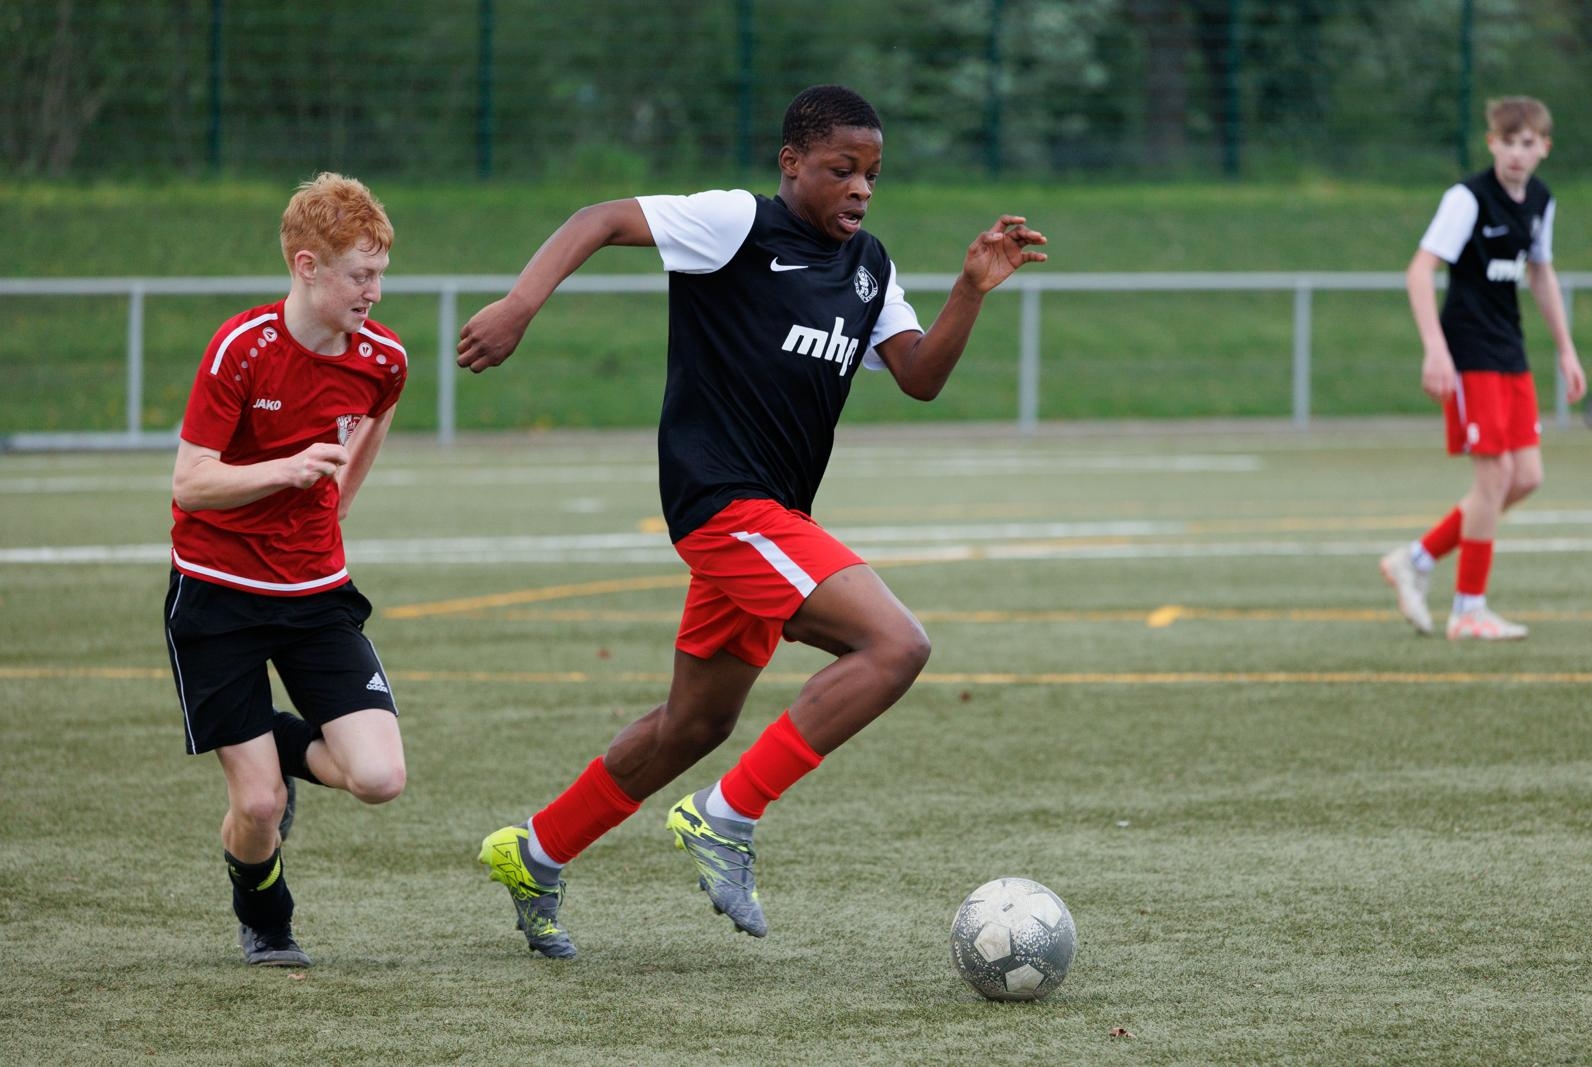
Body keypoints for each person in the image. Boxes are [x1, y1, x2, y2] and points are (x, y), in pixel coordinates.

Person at [457, 84, 1047, 958]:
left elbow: (920, 375)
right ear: (791, 163)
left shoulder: (869, 267)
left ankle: (535, 851)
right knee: (895, 645)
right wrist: (519, 305)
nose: (861, 188)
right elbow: (598, 219)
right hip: (723, 502)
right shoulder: (737, 224)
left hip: (770, 518)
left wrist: (970, 288)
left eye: (873, 174)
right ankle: (726, 813)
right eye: (843, 169)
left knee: (694, 724)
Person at [163, 172, 409, 967]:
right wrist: (288, 469)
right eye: (359, 276)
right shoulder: (241, 348)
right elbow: (190, 483)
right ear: (307, 266)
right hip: (218, 596)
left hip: (315, 594)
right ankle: (266, 920)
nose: (374, 292)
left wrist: (334, 510)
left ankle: (263, 735)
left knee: (380, 776)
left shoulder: (383, 359)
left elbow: (368, 430)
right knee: (260, 802)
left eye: (380, 274)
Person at [1381, 96, 1586, 641]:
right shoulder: (1467, 199)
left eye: (1527, 143)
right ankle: (1468, 610)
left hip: (1509, 348)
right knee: (1493, 477)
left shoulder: (1540, 201)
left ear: (1544, 147)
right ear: (1492, 143)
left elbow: (1540, 273)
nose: (1517, 153)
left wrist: (1566, 349)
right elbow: (1419, 271)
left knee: (1527, 477)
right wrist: (1435, 348)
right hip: (1469, 350)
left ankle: (1416, 559)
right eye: (1507, 142)